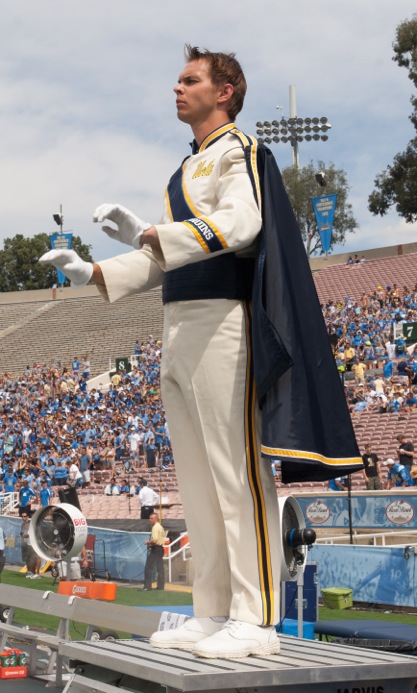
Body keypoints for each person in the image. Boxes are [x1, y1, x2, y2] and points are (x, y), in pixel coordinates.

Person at [39, 45, 362, 659]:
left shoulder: (238, 150)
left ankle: (256, 616)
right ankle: (212, 609)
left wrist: (150, 233)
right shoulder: (180, 173)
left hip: (223, 326)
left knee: (235, 476)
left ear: (226, 91)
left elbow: (241, 227)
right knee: (196, 481)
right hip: (179, 329)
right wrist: (93, 272)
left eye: (190, 80)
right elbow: (163, 257)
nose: (177, 89)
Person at [143, 512, 166, 591]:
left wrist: (148, 542)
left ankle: (147, 587)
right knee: (160, 569)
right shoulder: (160, 527)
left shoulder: (155, 528)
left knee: (148, 568)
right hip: (160, 549)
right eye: (150, 518)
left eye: (151, 518)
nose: (150, 520)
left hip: (156, 549)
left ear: (156, 519)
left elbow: (155, 540)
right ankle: (160, 586)